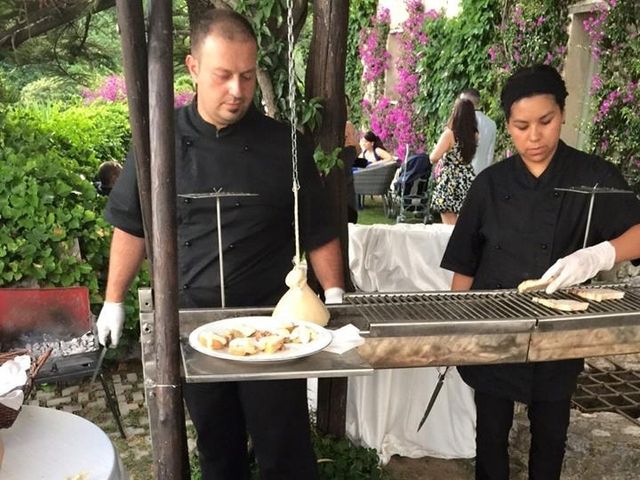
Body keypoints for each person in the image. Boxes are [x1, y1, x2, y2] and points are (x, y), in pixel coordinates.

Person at [95, 9, 345, 480]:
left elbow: (318, 229)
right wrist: (113, 301)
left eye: (247, 77)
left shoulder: (284, 144)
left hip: (275, 327)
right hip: (195, 326)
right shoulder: (157, 140)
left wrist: (335, 297)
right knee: (217, 449)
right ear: (192, 68)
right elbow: (132, 226)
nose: (237, 91)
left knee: (284, 450)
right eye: (223, 76)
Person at [441, 64, 640, 480]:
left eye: (545, 122)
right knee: (490, 437)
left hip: (560, 333)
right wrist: (455, 331)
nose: (534, 136)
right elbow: (464, 262)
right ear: (507, 126)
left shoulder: (594, 176)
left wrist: (599, 255)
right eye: (521, 125)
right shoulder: (490, 184)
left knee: (551, 438)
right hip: (493, 328)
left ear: (562, 114)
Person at [429, 98, 477, 225]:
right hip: (466, 178)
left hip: (450, 180)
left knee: (449, 226)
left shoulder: (450, 134)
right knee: (462, 223)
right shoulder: (474, 135)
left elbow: (433, 157)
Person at [459, 88, 497, 175]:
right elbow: (490, 155)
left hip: (461, 175)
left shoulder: (461, 121)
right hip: (481, 174)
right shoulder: (491, 124)